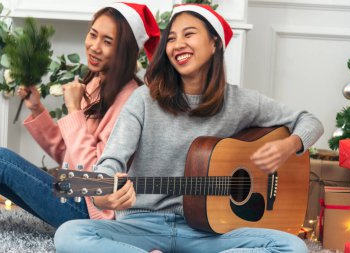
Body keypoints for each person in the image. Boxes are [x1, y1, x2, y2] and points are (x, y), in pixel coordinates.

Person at [54, 4, 323, 253]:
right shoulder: (144, 100)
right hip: (142, 226)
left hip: (208, 232)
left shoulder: (240, 102)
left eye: (188, 35)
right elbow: (111, 161)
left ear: (215, 42)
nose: (177, 44)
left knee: (291, 246)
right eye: (171, 38)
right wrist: (103, 198)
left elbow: (310, 121)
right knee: (68, 235)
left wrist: (289, 145)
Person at [0, 2, 160, 228]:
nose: (94, 47)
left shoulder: (131, 102)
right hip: (71, 189)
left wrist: (74, 110)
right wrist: (37, 109)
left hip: (92, 210)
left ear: (128, 50)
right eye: (93, 35)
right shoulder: (96, 82)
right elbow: (67, 152)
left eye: (107, 42)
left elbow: (95, 180)